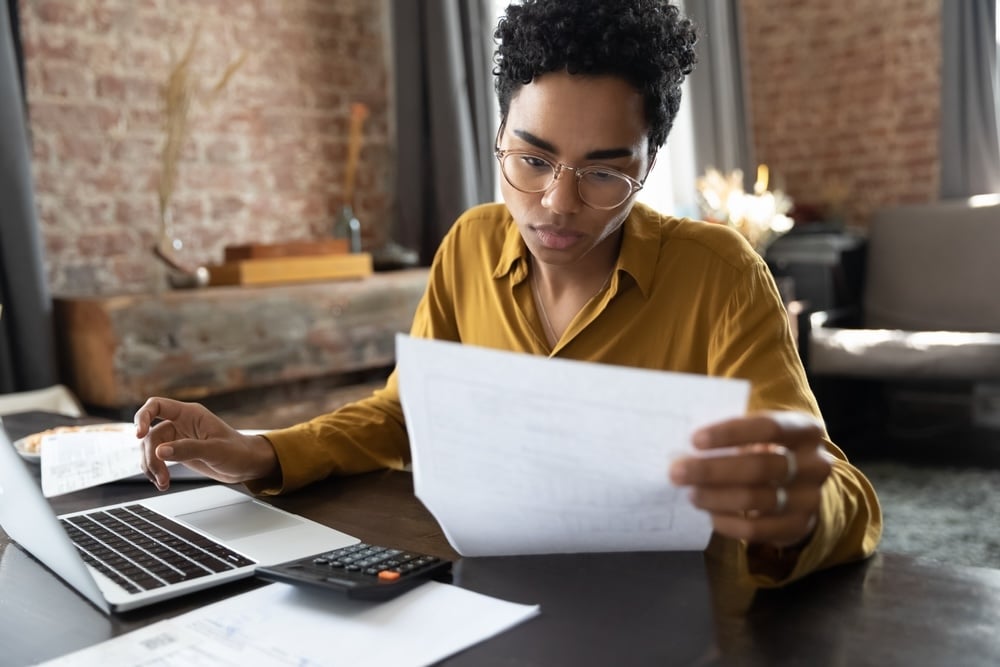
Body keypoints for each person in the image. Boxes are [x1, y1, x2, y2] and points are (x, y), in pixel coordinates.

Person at [136, 0, 881, 586]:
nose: (556, 203)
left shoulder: (719, 273)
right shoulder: (468, 245)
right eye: (531, 157)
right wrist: (260, 452)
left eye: (603, 172)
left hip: (674, 608)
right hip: (486, 587)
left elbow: (835, 484)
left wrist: (798, 511)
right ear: (499, 134)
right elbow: (403, 415)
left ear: (648, 168)